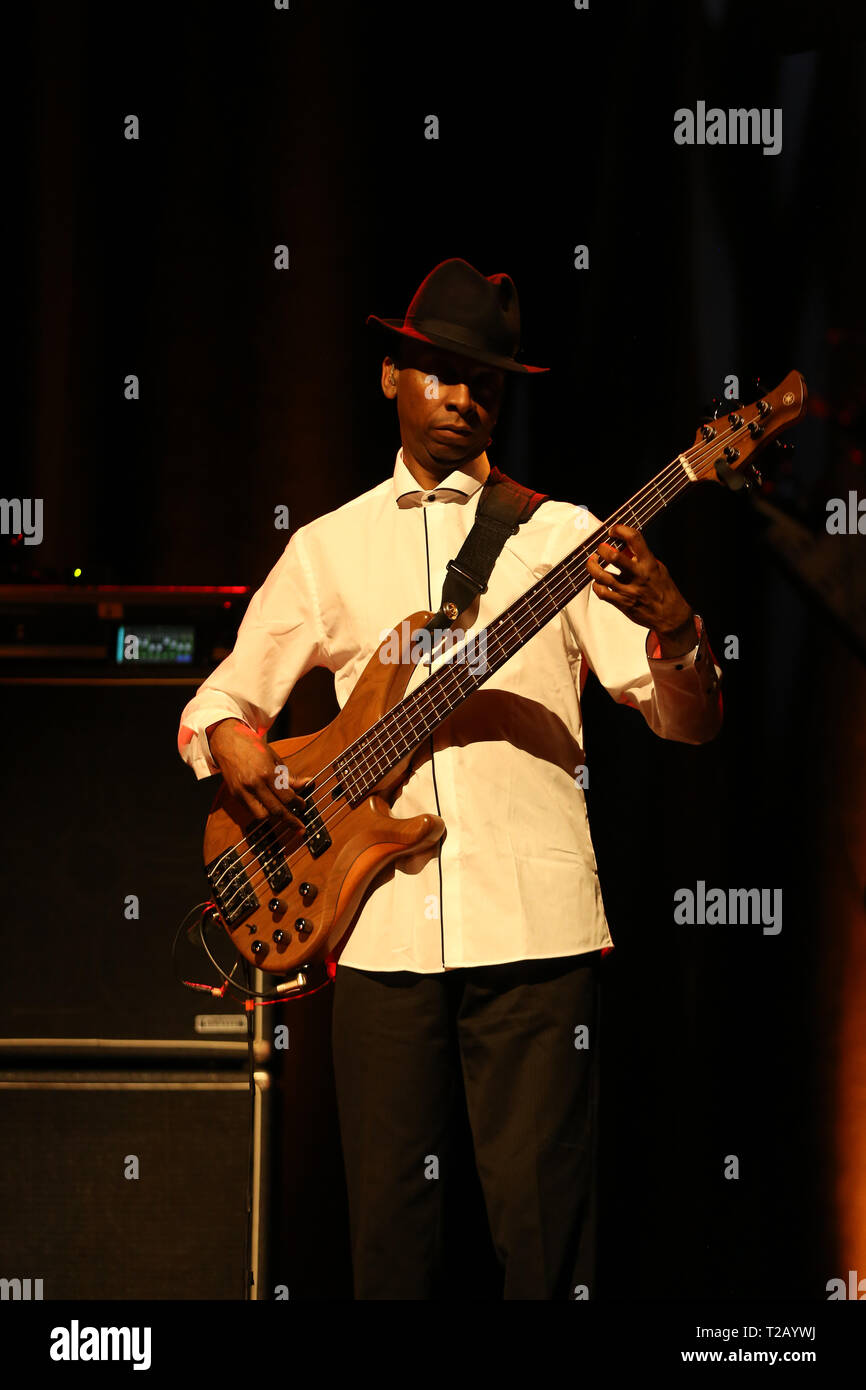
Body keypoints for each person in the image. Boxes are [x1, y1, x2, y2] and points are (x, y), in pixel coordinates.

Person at [177, 257, 723, 1300]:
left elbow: (685, 724)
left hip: (534, 934)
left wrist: (678, 627)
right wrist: (233, 740)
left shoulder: (562, 538)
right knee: (389, 1246)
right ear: (390, 376)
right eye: (438, 372)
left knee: (545, 1241)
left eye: (485, 379)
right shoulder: (328, 548)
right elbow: (219, 701)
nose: (464, 397)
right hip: (373, 937)